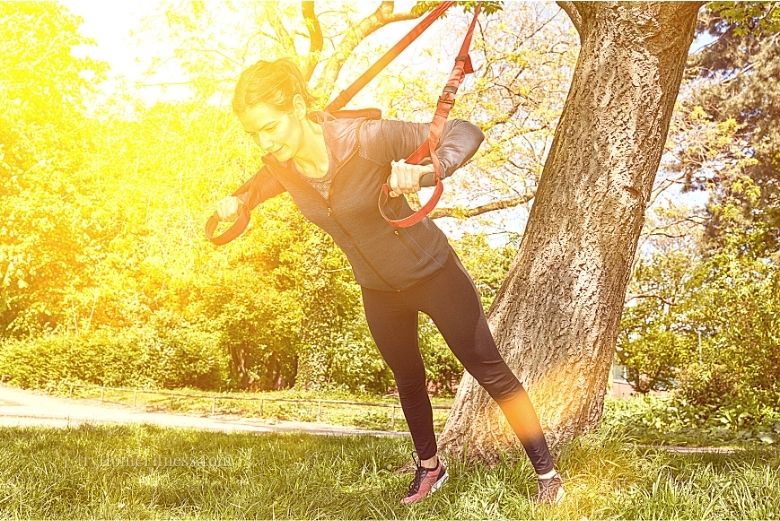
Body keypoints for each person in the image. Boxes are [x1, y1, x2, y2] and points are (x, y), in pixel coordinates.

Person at [215, 57, 565, 506]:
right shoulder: (282, 165)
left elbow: (464, 131)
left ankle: (548, 475)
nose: (265, 143)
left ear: (299, 107)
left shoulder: (366, 138)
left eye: (270, 128)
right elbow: (255, 189)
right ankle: (430, 468)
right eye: (255, 134)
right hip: (378, 290)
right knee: (408, 379)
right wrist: (236, 202)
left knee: (489, 370)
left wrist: (427, 171)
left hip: (434, 274)